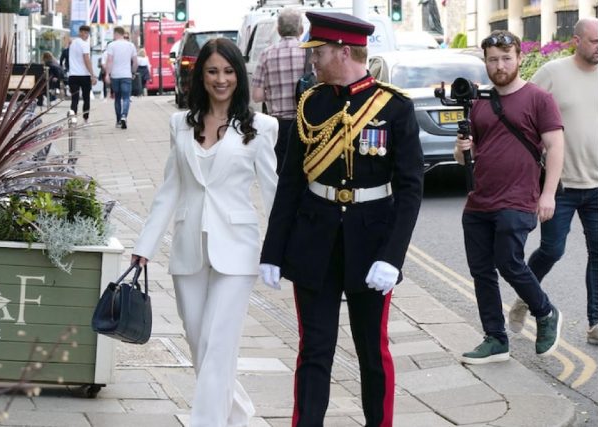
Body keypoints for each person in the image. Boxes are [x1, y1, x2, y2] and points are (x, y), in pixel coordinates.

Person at [259, 11, 424, 426]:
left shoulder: (394, 107)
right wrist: (273, 250)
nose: (312, 60)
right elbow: (291, 182)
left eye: (320, 52)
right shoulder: (311, 103)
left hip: (371, 244)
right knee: (314, 350)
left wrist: (393, 257)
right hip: (314, 241)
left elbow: (410, 191)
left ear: (344, 51)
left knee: (373, 351)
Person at [131, 38, 278, 426]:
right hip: (188, 248)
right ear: (201, 75)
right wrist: (144, 245)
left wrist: (281, 250)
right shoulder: (179, 123)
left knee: (218, 345)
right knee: (200, 345)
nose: (221, 79)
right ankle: (241, 418)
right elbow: (170, 189)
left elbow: (273, 192)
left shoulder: (261, 127)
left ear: (239, 75)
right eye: (212, 71)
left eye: (228, 71)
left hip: (238, 251)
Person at [454, 30, 565, 365]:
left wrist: (548, 195)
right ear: (485, 62)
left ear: (518, 58)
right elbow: (467, 156)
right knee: (482, 272)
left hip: (518, 198)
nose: (499, 65)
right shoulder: (480, 103)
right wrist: (461, 150)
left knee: (508, 261)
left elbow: (556, 146)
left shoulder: (538, 99)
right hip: (478, 200)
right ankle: (495, 339)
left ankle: (545, 312)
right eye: (492, 59)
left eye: (506, 58)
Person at [508, 18, 598, 345]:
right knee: (552, 250)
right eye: (594, 41)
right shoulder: (553, 73)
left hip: (597, 185)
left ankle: (596, 323)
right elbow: (522, 109)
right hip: (561, 186)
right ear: (576, 40)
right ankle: (525, 298)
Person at [251, 8, 306, 172]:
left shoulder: (266, 54)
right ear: (301, 30)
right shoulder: (309, 52)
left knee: (281, 173)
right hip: (305, 124)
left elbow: (257, 96)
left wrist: (274, 92)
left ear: (278, 30)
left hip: (278, 126)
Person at [104, 27, 138, 129]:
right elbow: (136, 62)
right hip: (126, 75)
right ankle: (124, 116)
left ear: (115, 34)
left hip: (115, 75)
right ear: (123, 34)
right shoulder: (130, 45)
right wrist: (133, 72)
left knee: (117, 98)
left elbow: (109, 61)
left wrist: (107, 74)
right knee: (126, 98)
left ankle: (118, 121)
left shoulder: (111, 45)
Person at [68, 25, 97, 123]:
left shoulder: (72, 43)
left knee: (74, 99)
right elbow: (86, 59)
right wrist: (92, 74)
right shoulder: (85, 44)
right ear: (84, 33)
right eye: (87, 33)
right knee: (86, 98)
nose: (87, 36)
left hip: (73, 75)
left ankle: (73, 118)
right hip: (84, 75)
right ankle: (85, 118)